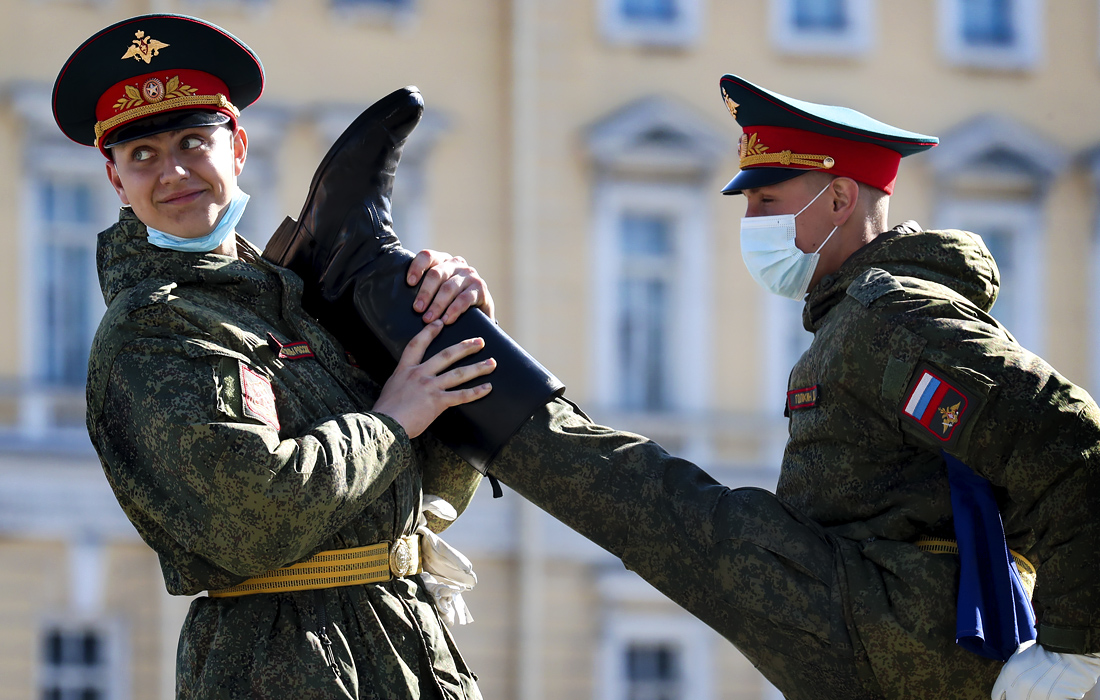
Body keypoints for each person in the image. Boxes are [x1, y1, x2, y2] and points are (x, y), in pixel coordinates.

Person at [479, 76, 1100, 700]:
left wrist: (1077, 652)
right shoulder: (851, 317)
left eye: (766, 202)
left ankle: (478, 386)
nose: (751, 223)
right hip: (884, 632)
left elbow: (1075, 446)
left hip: (898, 637)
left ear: (837, 199)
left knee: (662, 509)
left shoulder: (888, 317)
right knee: (670, 513)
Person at [54, 14, 498, 699]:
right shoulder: (151, 330)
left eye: (193, 142)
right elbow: (252, 520)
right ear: (116, 182)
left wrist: (452, 332)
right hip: (282, 664)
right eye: (142, 155)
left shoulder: (290, 297)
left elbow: (427, 492)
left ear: (237, 150)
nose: (172, 170)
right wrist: (390, 422)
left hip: (406, 644)